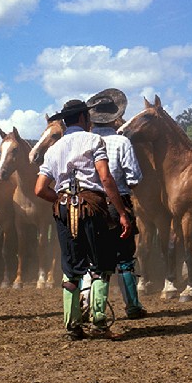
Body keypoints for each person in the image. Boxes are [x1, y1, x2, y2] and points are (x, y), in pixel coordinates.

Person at [34, 98, 132, 340]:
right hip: (93, 207)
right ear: (83, 118)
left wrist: (60, 199)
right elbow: (106, 178)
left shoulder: (54, 149)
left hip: (63, 210)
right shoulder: (93, 140)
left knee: (71, 269)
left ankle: (72, 326)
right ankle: (99, 324)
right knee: (100, 265)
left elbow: (39, 189)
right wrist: (121, 212)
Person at [87, 88, 146, 319]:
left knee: (97, 261)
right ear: (115, 117)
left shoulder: (86, 141)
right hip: (118, 202)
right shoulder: (122, 142)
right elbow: (134, 178)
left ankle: (97, 311)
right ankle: (132, 306)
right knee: (125, 258)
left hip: (90, 204)